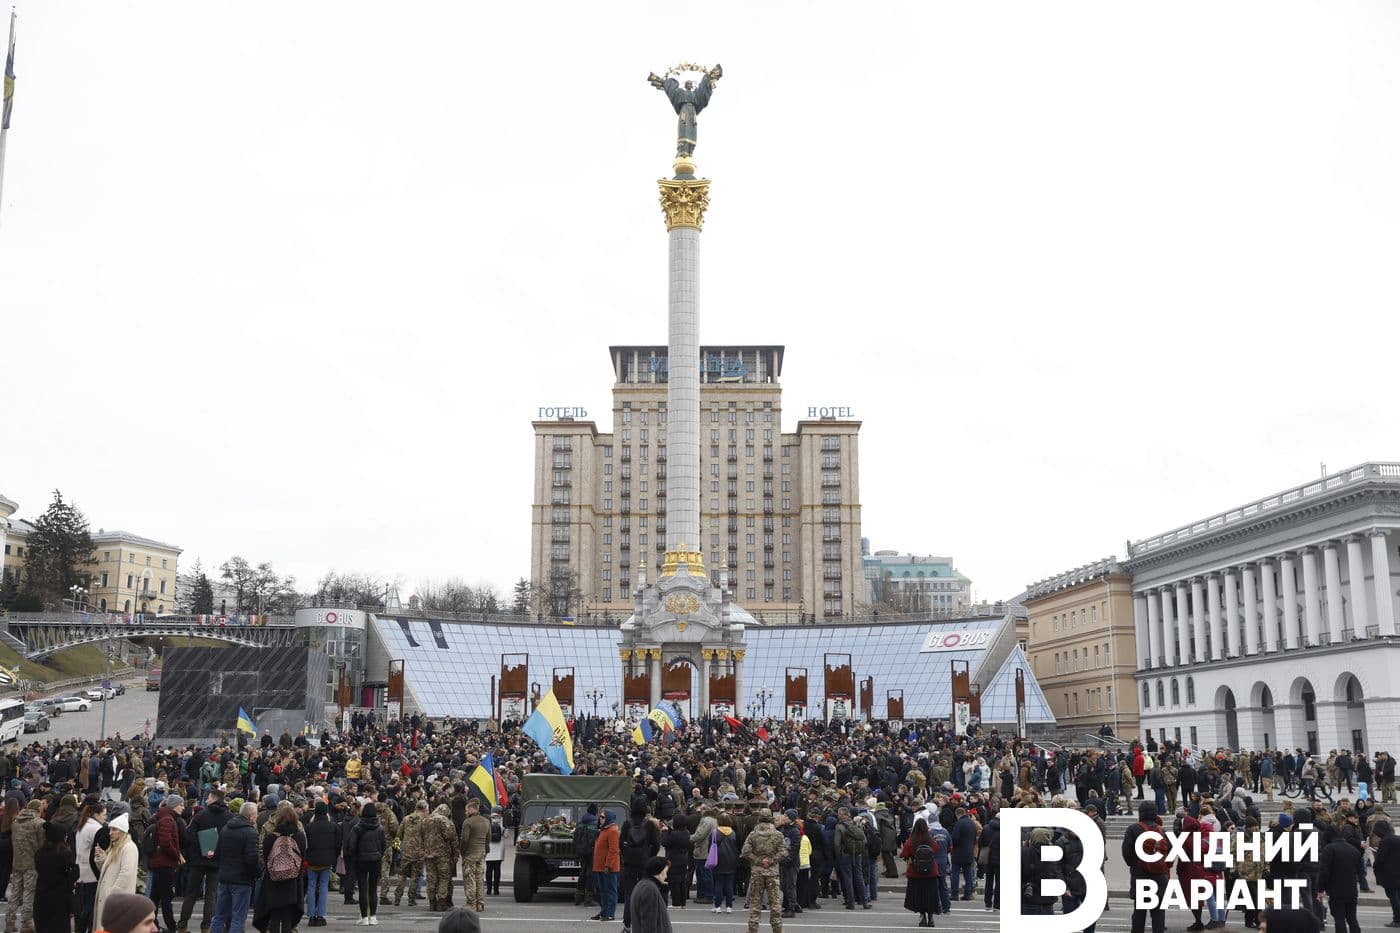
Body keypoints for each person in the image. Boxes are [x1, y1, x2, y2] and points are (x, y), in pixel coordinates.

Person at [180, 790, 230, 933]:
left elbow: (188, 836)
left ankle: (182, 925)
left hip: (198, 860)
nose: (206, 801)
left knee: (191, 894)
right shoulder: (228, 816)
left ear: (214, 799)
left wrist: (203, 849)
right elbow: (228, 839)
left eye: (208, 798)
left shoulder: (201, 815)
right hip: (217, 861)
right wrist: (215, 851)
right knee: (211, 894)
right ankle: (206, 927)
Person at [207, 802, 259, 933]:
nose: (257, 817)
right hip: (242, 879)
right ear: (250, 815)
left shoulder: (226, 828)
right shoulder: (250, 832)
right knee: (238, 918)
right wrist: (257, 873)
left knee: (219, 916)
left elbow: (217, 852)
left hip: (225, 877)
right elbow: (251, 859)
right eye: (256, 814)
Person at [254, 802, 306, 933]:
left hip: (273, 880)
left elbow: (265, 857)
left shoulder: (271, 837)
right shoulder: (299, 836)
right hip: (292, 880)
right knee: (288, 918)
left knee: (275, 916)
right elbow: (303, 857)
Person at [741, 810, 786, 933]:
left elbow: (745, 852)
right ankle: (777, 929)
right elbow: (784, 852)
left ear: (759, 819)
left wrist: (758, 860)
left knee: (755, 903)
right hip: (772, 872)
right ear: (771, 819)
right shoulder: (778, 834)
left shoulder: (753, 835)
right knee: (775, 903)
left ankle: (752, 929)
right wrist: (771, 861)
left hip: (757, 872)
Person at [93, 813, 139, 932]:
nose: (110, 833)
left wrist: (112, 894)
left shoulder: (128, 848)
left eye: (114, 829)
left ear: (122, 831)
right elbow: (107, 871)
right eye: (110, 829)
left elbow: (126, 874)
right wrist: (101, 858)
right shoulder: (116, 847)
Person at [345, 798, 386, 925]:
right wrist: (379, 854)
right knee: (373, 889)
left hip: (361, 860)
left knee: (363, 888)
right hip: (375, 859)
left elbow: (351, 846)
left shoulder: (357, 827)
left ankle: (364, 918)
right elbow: (383, 845)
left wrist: (355, 856)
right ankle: (373, 917)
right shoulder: (379, 828)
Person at [149, 797, 185, 933]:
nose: (183, 807)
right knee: (166, 897)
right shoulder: (168, 819)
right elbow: (165, 842)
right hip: (164, 864)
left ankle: (152, 923)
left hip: (160, 863)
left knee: (156, 897)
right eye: (181, 805)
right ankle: (171, 927)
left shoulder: (165, 817)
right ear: (174, 806)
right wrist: (177, 855)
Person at [33, 823, 76, 933]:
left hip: (41, 896)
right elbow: (74, 873)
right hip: (60, 898)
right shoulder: (65, 854)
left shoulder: (39, 853)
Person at [7, 799, 42, 933]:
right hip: (31, 863)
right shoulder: (38, 823)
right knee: (29, 893)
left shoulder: (15, 822)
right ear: (38, 809)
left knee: (15, 892)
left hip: (17, 862)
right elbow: (42, 844)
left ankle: (9, 922)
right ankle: (26, 923)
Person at [1317, 828, 1362, 933]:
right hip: (1352, 890)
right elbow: (1359, 871)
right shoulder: (1353, 850)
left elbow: (1324, 871)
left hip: (1336, 890)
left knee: (1339, 919)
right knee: (1352, 919)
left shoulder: (1329, 849)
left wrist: (1320, 889)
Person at [303, 801, 340, 926]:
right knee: (324, 887)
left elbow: (305, 845)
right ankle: (321, 915)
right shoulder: (333, 826)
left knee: (311, 887)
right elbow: (338, 844)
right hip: (326, 861)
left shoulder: (308, 827)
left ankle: (311, 915)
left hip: (312, 861)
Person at [901, 818, 940, 928]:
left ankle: (922, 916)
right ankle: (931, 917)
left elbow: (904, 853)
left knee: (919, 896)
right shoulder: (930, 839)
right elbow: (937, 849)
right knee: (931, 895)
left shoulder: (912, 840)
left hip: (916, 872)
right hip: (931, 871)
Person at [74, 799, 106, 933]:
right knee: (90, 906)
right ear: (96, 814)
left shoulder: (83, 825)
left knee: (84, 905)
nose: (105, 817)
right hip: (91, 872)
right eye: (104, 814)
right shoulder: (95, 828)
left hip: (82, 870)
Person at [457, 800, 488, 914]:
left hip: (470, 854)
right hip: (481, 853)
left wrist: (462, 852)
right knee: (479, 878)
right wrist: (485, 851)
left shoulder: (468, 822)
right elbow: (488, 839)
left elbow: (464, 839)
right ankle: (480, 903)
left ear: (471, 809)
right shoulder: (486, 821)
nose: (465, 812)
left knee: (469, 879)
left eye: (466, 810)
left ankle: (471, 903)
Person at [590, 809, 620, 922]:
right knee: (602, 890)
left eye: (602, 817)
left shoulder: (612, 830)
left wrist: (608, 865)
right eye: (600, 817)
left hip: (608, 868)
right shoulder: (602, 830)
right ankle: (604, 911)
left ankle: (610, 914)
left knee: (610, 891)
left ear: (608, 818)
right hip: (600, 866)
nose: (600, 819)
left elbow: (613, 850)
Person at [628, 856, 672, 933]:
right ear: (658, 871)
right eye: (665, 872)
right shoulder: (649, 889)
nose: (666, 876)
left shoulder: (643, 884)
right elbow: (648, 924)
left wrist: (664, 889)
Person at [710, 813, 738, 914]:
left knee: (718, 883)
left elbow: (711, 846)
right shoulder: (733, 833)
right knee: (729, 884)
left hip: (718, 860)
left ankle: (718, 906)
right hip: (731, 860)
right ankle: (729, 906)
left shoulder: (715, 832)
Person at [660, 817, 690, 909]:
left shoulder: (674, 834)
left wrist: (664, 831)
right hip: (684, 857)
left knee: (674, 880)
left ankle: (676, 903)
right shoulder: (686, 833)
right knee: (682, 880)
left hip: (674, 858)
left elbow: (665, 842)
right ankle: (683, 902)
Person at [484, 806, 505, 899]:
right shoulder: (502, 821)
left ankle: (488, 889)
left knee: (488, 870)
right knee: (497, 870)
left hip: (489, 849)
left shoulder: (487, 820)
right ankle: (496, 889)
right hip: (499, 850)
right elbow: (507, 835)